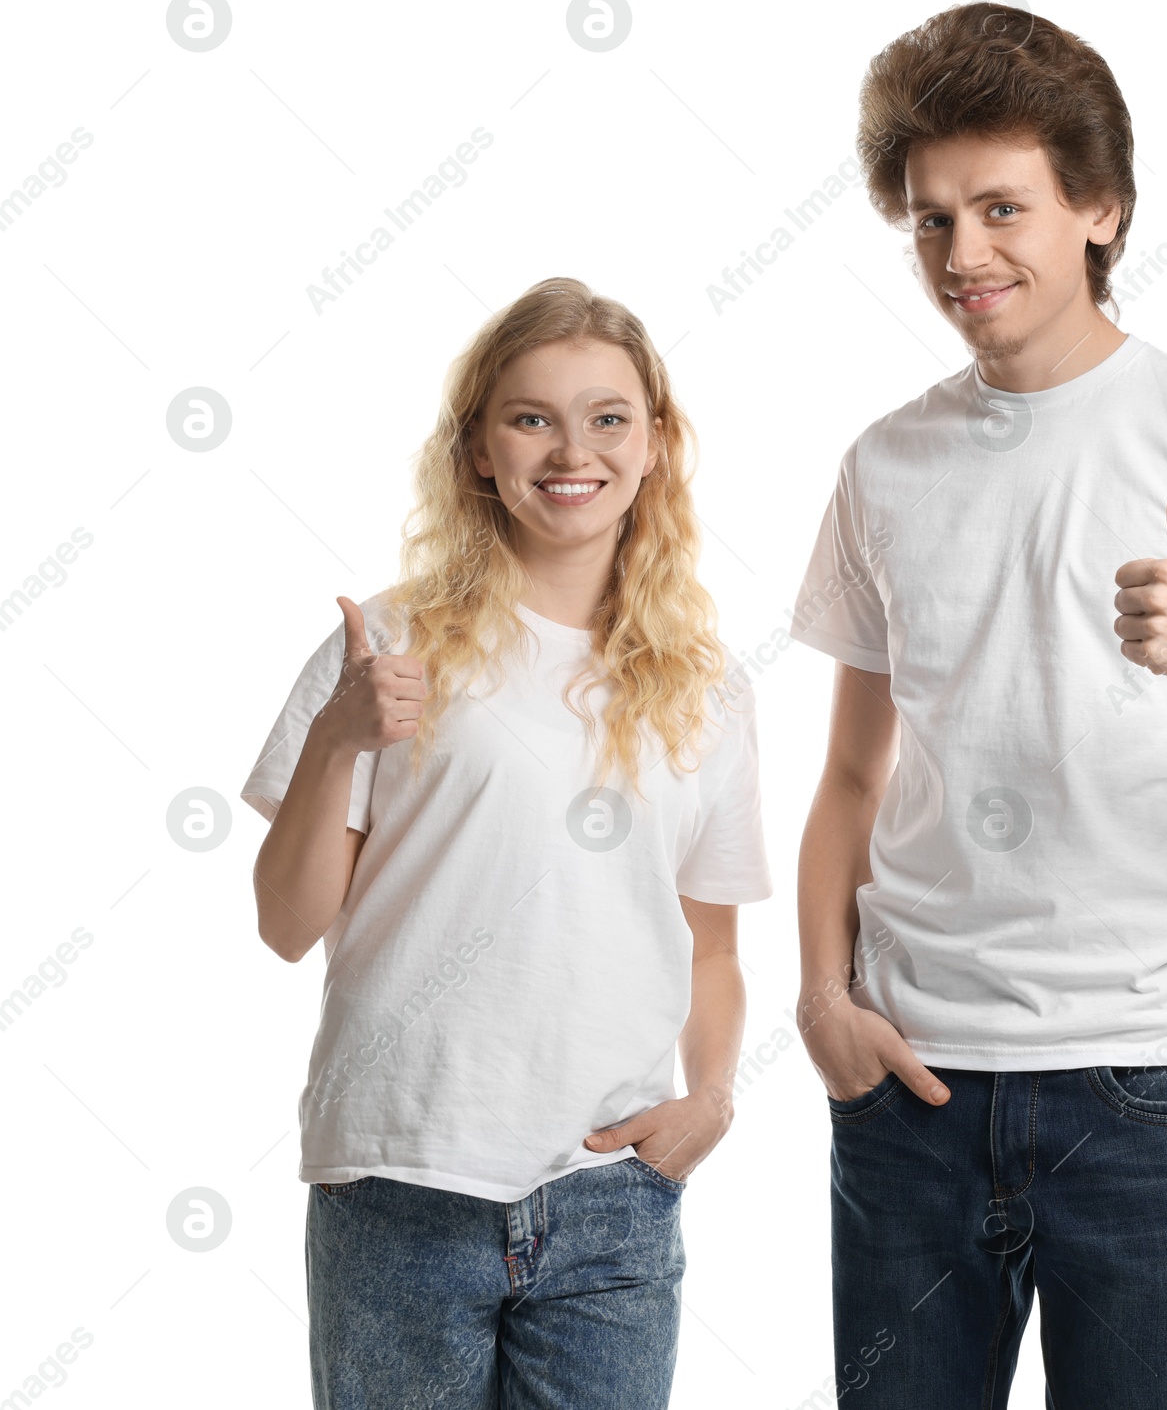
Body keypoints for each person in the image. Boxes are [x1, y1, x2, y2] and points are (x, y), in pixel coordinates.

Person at [790, 3, 1167, 1409]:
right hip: (914, 1083)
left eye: (1003, 208)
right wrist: (823, 999)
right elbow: (850, 780)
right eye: (930, 220)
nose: (962, 255)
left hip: (1142, 1087)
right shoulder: (885, 462)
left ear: (1101, 207)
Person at [240, 277, 771, 1410]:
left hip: (609, 1198)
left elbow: (710, 945)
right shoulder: (387, 646)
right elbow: (286, 926)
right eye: (531, 417)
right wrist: (337, 740)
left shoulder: (708, 688)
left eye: (608, 416)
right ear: (480, 449)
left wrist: (711, 1101)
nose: (570, 448)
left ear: (656, 445)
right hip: (401, 1182)